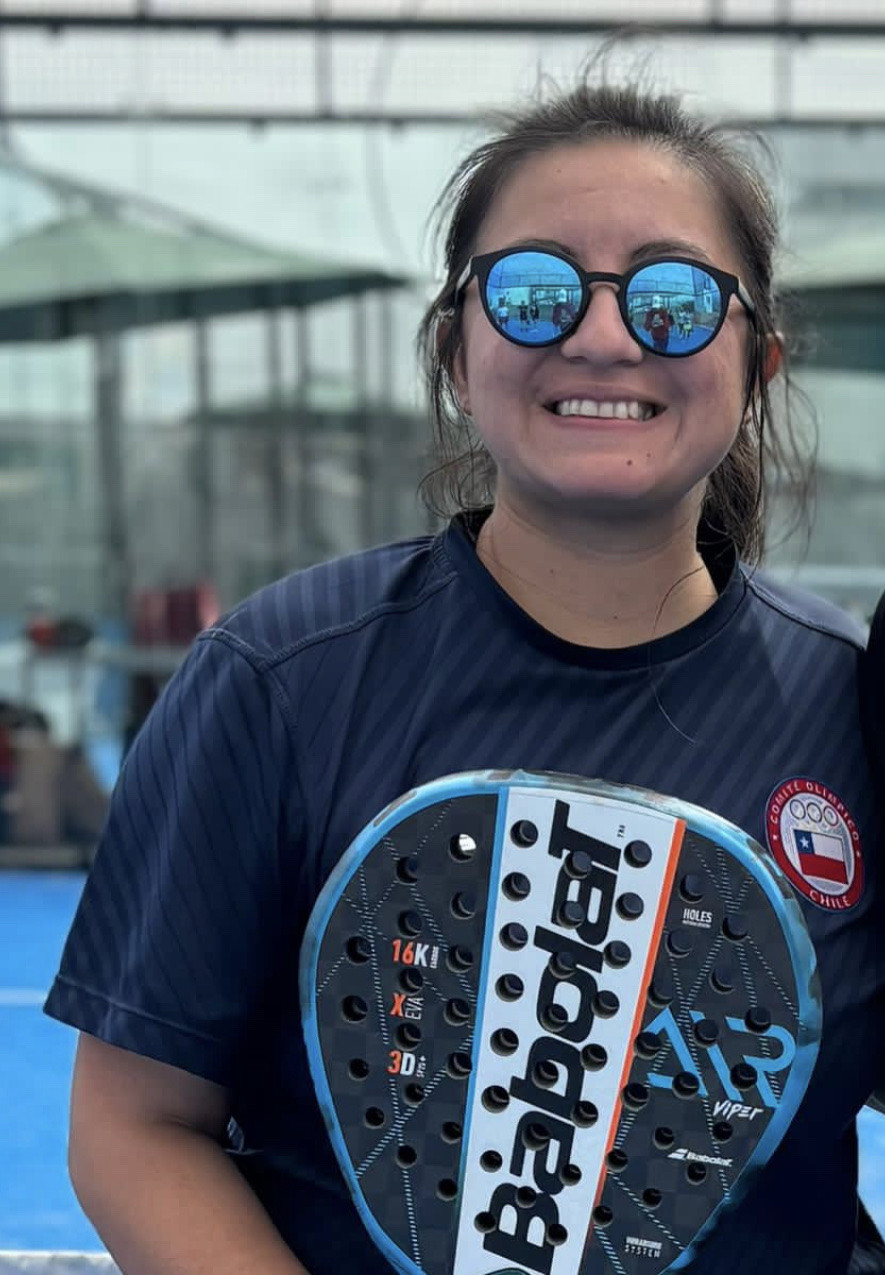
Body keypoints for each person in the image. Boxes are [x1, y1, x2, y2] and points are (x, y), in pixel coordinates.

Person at [44, 78, 885, 1275]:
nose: (604, 337)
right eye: (536, 292)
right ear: (455, 348)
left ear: (758, 363)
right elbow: (135, 1128)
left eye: (674, 297)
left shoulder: (852, 700)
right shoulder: (279, 681)